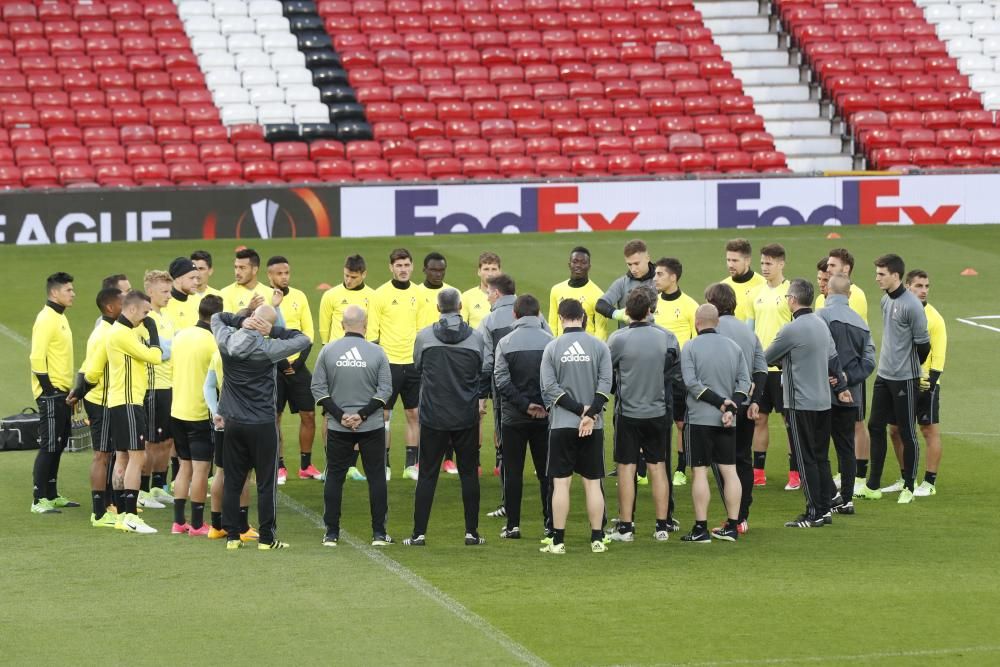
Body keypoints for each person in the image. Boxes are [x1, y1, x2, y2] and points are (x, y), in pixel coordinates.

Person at [212, 304, 311, 550]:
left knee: (233, 480)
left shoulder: (225, 341)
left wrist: (239, 321)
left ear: (251, 318)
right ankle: (266, 538)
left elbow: (216, 317)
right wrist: (274, 330)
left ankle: (233, 537)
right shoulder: (269, 349)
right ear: (263, 325)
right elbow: (304, 339)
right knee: (266, 483)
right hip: (263, 424)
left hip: (233, 422)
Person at [404, 288, 487, 547]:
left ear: (438, 308)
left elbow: (418, 365)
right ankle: (471, 533)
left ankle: (418, 533)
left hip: (433, 416)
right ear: (460, 306)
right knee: (468, 474)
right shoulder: (475, 338)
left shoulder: (425, 337)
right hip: (465, 415)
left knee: (427, 474)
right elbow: (480, 368)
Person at [765, 279, 851, 528]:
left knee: (805, 459)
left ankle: (816, 512)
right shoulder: (821, 324)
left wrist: (783, 362)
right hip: (823, 402)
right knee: (821, 457)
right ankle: (825, 506)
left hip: (799, 402)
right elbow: (832, 359)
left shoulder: (791, 329)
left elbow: (766, 357)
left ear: (792, 299)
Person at [312, 305, 393, 547]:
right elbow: (385, 390)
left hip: (338, 427)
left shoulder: (327, 351)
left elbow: (318, 388)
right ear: (366, 325)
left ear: (341, 325)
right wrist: (363, 415)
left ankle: (331, 533)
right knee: (376, 477)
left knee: (335, 477)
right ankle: (379, 533)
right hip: (372, 426)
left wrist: (341, 415)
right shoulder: (377, 352)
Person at [539, 299, 613, 554]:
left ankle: (558, 541)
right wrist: (590, 413)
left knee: (561, 483)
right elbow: (606, 386)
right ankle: (597, 538)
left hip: (562, 425)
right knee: (593, 483)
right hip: (593, 425)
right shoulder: (600, 346)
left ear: (560, 319)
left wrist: (577, 411)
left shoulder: (552, 347)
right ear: (583, 317)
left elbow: (550, 389)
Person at [606, 288, 679, 543]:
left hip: (628, 413)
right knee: (658, 466)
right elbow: (674, 374)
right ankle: (662, 526)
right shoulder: (667, 338)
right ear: (651, 310)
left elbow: (607, 374)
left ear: (627, 311)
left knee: (626, 468)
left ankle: (625, 527)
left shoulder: (617, 339)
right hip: (658, 411)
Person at [857, 254, 930, 505]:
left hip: (904, 379)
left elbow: (924, 345)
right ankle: (873, 485)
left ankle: (909, 486)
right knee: (875, 426)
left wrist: (909, 370)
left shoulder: (912, 306)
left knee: (908, 431)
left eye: (881, 274)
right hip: (883, 375)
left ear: (895, 276)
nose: (877, 278)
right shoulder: (885, 300)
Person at [680, 304, 750, 543]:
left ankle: (701, 528)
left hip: (700, 419)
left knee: (700, 472)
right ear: (717, 322)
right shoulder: (734, 347)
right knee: (729, 471)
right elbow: (745, 382)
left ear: (697, 322)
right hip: (727, 422)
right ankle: (732, 525)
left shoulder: (689, 347)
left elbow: (691, 383)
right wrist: (732, 407)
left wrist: (720, 403)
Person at [704, 282, 766, 534]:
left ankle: (732, 516)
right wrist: (756, 401)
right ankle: (741, 517)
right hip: (745, 405)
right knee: (742, 459)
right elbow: (761, 369)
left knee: (722, 463)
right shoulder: (748, 332)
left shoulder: (710, 330)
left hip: (718, 408)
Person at [100, 290, 163, 534]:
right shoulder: (122, 334)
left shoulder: (121, 332)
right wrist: (154, 331)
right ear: (133, 309)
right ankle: (130, 515)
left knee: (123, 458)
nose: (147, 317)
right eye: (146, 312)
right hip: (128, 403)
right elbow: (155, 357)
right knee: (137, 457)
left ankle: (120, 513)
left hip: (121, 402)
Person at [493, 294, 554, 540]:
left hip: (513, 418)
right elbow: (555, 380)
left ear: (515, 315)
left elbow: (501, 382)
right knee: (546, 473)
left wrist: (524, 405)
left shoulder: (505, 343)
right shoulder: (551, 342)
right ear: (538, 314)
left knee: (514, 472)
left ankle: (513, 526)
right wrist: (541, 405)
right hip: (545, 418)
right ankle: (550, 523)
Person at [817, 275, 876, 517]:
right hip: (851, 396)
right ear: (849, 295)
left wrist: (834, 377)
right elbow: (870, 362)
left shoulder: (821, 316)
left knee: (817, 448)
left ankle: (830, 495)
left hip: (822, 394)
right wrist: (847, 379)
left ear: (828, 292)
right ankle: (847, 500)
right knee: (846, 448)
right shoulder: (862, 323)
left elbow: (817, 350)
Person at [887, 269, 946, 498]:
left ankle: (929, 482)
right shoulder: (899, 310)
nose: (923, 290)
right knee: (895, 430)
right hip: (900, 380)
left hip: (924, 383)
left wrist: (930, 382)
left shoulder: (935, 318)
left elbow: (939, 354)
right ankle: (905, 478)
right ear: (907, 287)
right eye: (919, 286)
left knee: (928, 431)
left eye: (926, 286)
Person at [168, 295, 224, 536]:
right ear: (217, 317)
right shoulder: (213, 342)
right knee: (201, 470)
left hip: (177, 410)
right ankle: (198, 524)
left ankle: (179, 522)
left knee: (184, 467)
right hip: (200, 412)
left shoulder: (180, 336)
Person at [69, 287, 124, 527]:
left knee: (109, 453)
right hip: (101, 402)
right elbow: (91, 370)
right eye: (124, 303)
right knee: (101, 455)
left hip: (107, 400)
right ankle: (99, 513)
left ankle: (109, 504)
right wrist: (78, 393)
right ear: (111, 308)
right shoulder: (105, 335)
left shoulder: (109, 330)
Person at [369, 248, 422, 481]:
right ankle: (384, 464)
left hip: (413, 364)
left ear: (412, 266)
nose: (403, 269)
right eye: (398, 265)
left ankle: (412, 465)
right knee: (383, 415)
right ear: (391, 267)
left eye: (406, 265)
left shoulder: (419, 294)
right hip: (388, 364)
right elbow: (372, 333)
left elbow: (423, 330)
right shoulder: (379, 295)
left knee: (414, 414)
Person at [747, 243, 795, 490]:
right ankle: (758, 472)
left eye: (769, 263)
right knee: (759, 419)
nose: (764, 267)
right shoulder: (756, 293)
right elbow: (749, 328)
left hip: (786, 370)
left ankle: (794, 473)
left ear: (781, 264)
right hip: (761, 369)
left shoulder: (791, 292)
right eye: (763, 263)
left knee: (790, 422)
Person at [267, 255, 319, 483]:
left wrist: (296, 363)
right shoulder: (265, 300)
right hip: (274, 368)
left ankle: (306, 465)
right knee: (274, 417)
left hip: (298, 368)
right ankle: (279, 466)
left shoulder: (300, 296)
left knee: (309, 414)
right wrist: (281, 362)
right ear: (269, 276)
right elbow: (264, 334)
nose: (284, 277)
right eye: (279, 273)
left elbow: (308, 334)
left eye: (286, 272)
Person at [29, 272, 78, 514]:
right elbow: (36, 358)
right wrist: (48, 391)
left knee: (59, 443)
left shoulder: (60, 317)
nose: (73, 294)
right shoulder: (46, 318)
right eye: (68, 290)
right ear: (54, 293)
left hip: (62, 392)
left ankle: (52, 493)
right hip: (51, 394)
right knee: (49, 445)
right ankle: (39, 499)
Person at [651, 257, 698, 487]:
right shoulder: (652, 304)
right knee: (655, 423)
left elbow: (696, 342)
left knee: (680, 423)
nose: (655, 278)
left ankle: (680, 468)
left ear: (673, 277)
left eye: (660, 274)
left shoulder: (690, 305)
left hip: (679, 374)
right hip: (654, 372)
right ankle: (647, 468)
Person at [203, 348, 257, 542]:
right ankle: (241, 527)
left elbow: (208, 386)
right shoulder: (247, 353)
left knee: (221, 471)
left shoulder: (218, 353)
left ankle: (216, 526)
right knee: (244, 473)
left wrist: (215, 411)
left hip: (222, 418)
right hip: (243, 418)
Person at [480, 274, 519, 507]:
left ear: (496, 293)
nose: (487, 297)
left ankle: (508, 505)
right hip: (534, 393)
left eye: (488, 293)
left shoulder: (489, 321)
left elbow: (486, 363)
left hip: (503, 392)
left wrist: (482, 395)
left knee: (506, 446)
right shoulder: (535, 313)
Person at [141, 270, 176, 510]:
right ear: (150, 292)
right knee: (151, 442)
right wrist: (173, 346)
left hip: (171, 386)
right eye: (164, 292)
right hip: (153, 388)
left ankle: (158, 486)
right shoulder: (145, 319)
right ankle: (142, 490)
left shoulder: (166, 318)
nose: (169, 296)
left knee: (167, 440)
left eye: (169, 291)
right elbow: (159, 353)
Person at [548, 246, 609, 340]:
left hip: (586, 349)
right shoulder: (556, 290)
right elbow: (552, 324)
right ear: (569, 264)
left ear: (589, 266)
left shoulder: (598, 295)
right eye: (575, 262)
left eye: (583, 262)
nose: (578, 265)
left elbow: (601, 330)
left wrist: (596, 351)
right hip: (562, 347)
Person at [596, 239, 656, 332]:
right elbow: (601, 305)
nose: (633, 269)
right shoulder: (622, 283)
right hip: (627, 341)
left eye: (636, 263)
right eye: (629, 264)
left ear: (647, 258)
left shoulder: (660, 281)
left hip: (656, 340)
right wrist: (620, 314)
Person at [318, 254, 375, 344]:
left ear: (364, 274)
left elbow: (373, 328)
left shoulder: (373, 296)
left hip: (362, 351)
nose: (348, 280)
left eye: (353, 277)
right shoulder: (330, 295)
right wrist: (325, 345)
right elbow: (324, 327)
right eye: (346, 275)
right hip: (337, 351)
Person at [219, 247, 277, 313]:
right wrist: (249, 310)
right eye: (236, 267)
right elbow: (226, 322)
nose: (237, 272)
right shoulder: (225, 293)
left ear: (254, 270)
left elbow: (278, 323)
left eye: (242, 268)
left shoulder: (270, 293)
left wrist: (276, 307)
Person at [720, 238, 765, 321]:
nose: (730, 265)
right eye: (728, 260)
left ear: (747, 261)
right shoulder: (722, 287)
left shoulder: (763, 285)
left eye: (735, 261)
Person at [462, 251, 502, 329]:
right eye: (486, 269)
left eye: (494, 269)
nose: (490, 273)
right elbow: (461, 328)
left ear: (500, 272)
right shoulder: (467, 297)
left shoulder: (509, 296)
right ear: (479, 272)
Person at [162, 257, 203, 331]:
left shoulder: (198, 299)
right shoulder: (164, 303)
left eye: (196, 278)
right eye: (191, 278)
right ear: (178, 279)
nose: (196, 282)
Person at [416, 252, 453, 329]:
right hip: (421, 340)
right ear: (424, 270)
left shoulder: (453, 293)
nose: (438, 274)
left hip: (446, 339)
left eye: (441, 270)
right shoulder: (414, 293)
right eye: (434, 270)